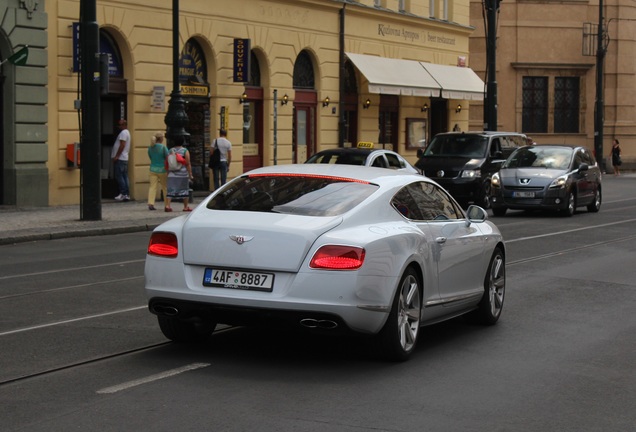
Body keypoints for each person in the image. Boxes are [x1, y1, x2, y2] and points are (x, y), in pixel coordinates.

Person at [165, 137, 194, 212]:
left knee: (170, 191)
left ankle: (168, 205)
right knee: (184, 190)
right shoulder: (185, 151)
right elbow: (187, 163)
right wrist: (190, 173)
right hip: (182, 174)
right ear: (183, 142)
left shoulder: (170, 150)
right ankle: (185, 206)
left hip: (172, 174)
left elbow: (167, 162)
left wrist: (167, 173)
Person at [147, 131, 168, 210]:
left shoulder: (150, 147)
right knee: (165, 187)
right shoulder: (163, 147)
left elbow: (150, 157)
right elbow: (167, 157)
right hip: (162, 170)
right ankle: (167, 203)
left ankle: (151, 203)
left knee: (152, 187)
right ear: (161, 138)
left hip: (152, 169)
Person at [112, 119, 131, 201]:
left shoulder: (123, 133)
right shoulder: (127, 132)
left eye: (120, 125)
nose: (118, 127)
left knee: (119, 176)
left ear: (124, 125)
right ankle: (126, 194)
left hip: (121, 158)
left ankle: (123, 193)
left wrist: (117, 156)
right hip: (124, 158)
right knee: (124, 176)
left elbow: (122, 145)